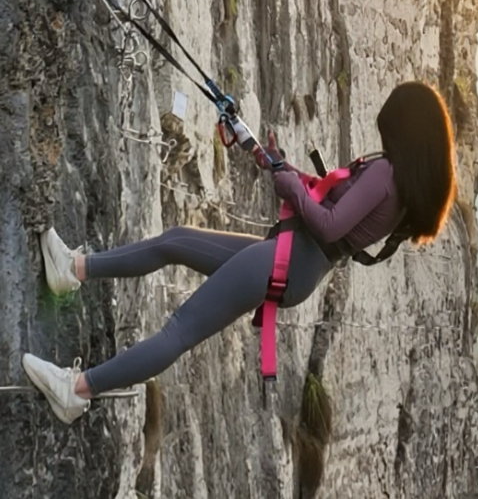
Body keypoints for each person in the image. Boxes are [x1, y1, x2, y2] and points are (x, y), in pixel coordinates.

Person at [22, 81, 456, 423]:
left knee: (178, 330)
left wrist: (288, 186)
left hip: (293, 260)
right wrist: (280, 166)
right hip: (293, 259)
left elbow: (328, 225)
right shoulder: (398, 183)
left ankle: (76, 390)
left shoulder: (385, 173)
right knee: (175, 241)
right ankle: (73, 269)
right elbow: (332, 208)